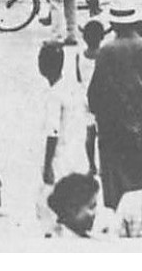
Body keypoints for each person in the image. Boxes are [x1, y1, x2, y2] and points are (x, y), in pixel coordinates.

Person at [86, 0, 142, 210]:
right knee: (141, 187)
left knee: (115, 192)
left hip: (114, 131)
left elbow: (94, 95)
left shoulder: (107, 51)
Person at [40, 42, 91, 185]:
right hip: (77, 155)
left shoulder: (53, 95)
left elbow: (53, 132)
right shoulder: (72, 87)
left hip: (61, 159)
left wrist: (47, 165)